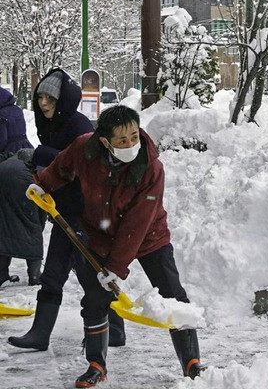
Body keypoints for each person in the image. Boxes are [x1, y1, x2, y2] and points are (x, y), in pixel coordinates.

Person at [27, 105, 203, 387]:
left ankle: (192, 362)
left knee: (173, 293)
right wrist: (43, 184)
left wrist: (116, 268)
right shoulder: (85, 148)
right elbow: (62, 166)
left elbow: (138, 222)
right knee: (96, 298)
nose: (131, 144)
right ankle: (96, 364)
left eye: (134, 136)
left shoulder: (151, 167)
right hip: (101, 233)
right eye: (122, 140)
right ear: (104, 141)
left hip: (149, 236)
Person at [8, 69, 126, 351]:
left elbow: (81, 165)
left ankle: (115, 329)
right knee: (61, 274)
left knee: (88, 273)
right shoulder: (53, 124)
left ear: (63, 100)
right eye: (40, 98)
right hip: (64, 210)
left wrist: (39, 155)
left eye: (50, 98)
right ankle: (41, 334)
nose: (44, 104)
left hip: (84, 214)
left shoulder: (79, 125)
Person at [0, 86, 44, 287]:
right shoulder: (15, 110)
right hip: (24, 155)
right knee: (30, 222)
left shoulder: (1, 115)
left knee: (4, 222)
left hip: (7, 160)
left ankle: (2, 274)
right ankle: (34, 275)